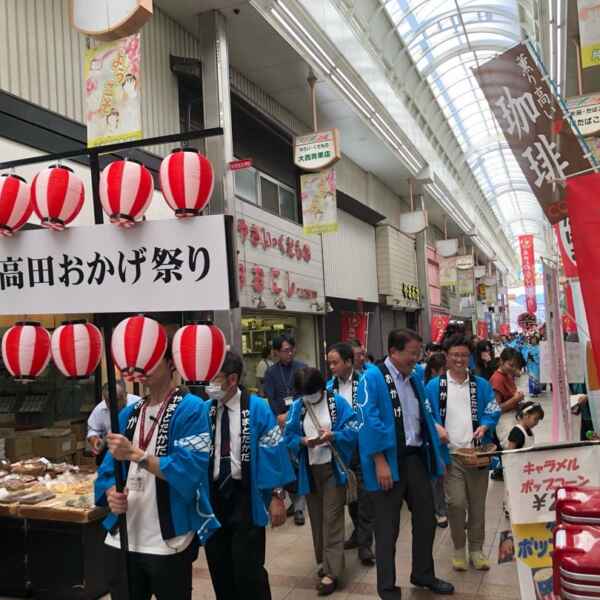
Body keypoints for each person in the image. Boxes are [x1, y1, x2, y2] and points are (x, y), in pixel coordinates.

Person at [94, 345, 218, 600]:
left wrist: (136, 455)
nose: (143, 366)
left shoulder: (192, 408)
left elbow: (190, 470)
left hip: (168, 541)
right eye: (139, 360)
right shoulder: (129, 413)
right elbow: (107, 470)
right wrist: (110, 492)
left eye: (151, 359)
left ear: (172, 363)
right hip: (123, 536)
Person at [357, 329, 454, 599]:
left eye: (418, 352)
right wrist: (380, 461)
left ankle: (423, 573)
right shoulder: (372, 378)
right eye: (412, 353)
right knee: (387, 530)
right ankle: (387, 589)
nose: (418, 358)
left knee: (426, 519)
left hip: (414, 460)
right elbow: (367, 421)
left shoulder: (414, 379)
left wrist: (436, 440)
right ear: (394, 352)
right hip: (387, 462)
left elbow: (423, 413)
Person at [203, 351, 294, 600]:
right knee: (219, 569)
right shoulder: (205, 410)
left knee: (249, 571)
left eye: (215, 378)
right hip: (213, 499)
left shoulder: (258, 408)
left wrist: (276, 495)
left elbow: (273, 452)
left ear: (232, 380)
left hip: (245, 496)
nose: (209, 385)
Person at [426, 335, 500, 572]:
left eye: (464, 355)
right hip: (451, 455)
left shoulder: (481, 385)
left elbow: (492, 408)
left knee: (477, 505)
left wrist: (486, 425)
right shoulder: (435, 386)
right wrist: (436, 427)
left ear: (470, 358)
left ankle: (477, 550)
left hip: (477, 454)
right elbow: (425, 413)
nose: (459, 359)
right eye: (455, 355)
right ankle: (459, 548)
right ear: (446, 357)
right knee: (456, 503)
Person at [284, 367, 359, 596]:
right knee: (316, 519)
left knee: (332, 519)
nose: (308, 397)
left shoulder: (336, 403)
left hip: (332, 470)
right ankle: (325, 562)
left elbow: (354, 429)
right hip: (309, 470)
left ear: (320, 387)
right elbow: (288, 437)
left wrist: (334, 436)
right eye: (303, 393)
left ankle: (332, 572)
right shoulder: (298, 407)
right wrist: (303, 442)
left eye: (312, 392)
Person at [326, 342, 375, 566]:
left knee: (364, 497)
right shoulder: (328, 388)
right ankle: (358, 533)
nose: (332, 367)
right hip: (340, 450)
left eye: (335, 362)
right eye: (329, 363)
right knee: (350, 496)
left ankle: (365, 544)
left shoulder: (365, 383)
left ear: (348, 362)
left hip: (363, 447)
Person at [263, 334, 307, 526]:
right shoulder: (271, 373)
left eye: (291, 349)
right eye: (284, 350)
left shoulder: (301, 368)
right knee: (285, 463)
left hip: (298, 421)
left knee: (298, 464)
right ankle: (294, 503)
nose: (289, 353)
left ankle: (299, 508)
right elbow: (270, 398)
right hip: (278, 423)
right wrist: (278, 416)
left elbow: (305, 394)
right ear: (276, 352)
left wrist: (292, 414)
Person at [87, 380, 140, 465]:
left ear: (125, 395)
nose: (113, 404)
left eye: (117, 399)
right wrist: (95, 441)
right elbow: (92, 430)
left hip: (135, 449)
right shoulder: (100, 409)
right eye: (108, 400)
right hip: (111, 451)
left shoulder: (138, 404)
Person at [424, 352, 448, 529]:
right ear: (434, 371)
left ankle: (444, 509)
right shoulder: (428, 389)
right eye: (444, 370)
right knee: (437, 477)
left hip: (449, 441)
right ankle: (439, 511)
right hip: (434, 441)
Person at [490, 348, 525, 450]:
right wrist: (515, 399)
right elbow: (495, 409)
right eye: (510, 365)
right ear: (501, 361)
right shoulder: (497, 379)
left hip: (512, 418)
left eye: (515, 366)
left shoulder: (507, 375)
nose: (513, 368)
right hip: (504, 422)